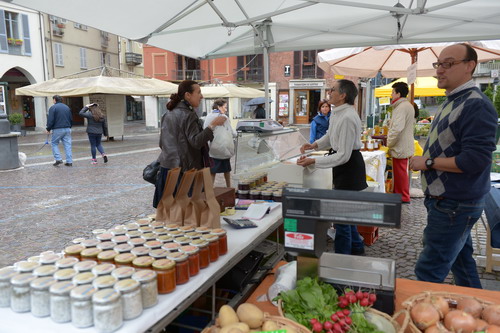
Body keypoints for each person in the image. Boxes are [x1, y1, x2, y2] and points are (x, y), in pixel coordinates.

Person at [409, 43, 497, 288]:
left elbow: (475, 160)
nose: (439, 70)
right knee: (462, 263)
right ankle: (477, 310)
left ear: (470, 66)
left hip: (455, 203)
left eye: (448, 64)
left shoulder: (476, 104)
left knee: (429, 270)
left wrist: (427, 162)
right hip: (448, 201)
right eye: (438, 64)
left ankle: (416, 320)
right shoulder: (454, 99)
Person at [298, 79, 367, 255]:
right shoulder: (338, 112)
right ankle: (357, 249)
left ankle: (342, 258)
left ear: (343, 95)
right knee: (347, 216)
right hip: (344, 166)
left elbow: (343, 155)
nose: (329, 92)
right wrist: (314, 145)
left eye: (333, 90)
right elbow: (330, 136)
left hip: (349, 168)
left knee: (341, 219)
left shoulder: (348, 117)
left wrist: (314, 161)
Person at [153, 80, 226, 208]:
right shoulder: (189, 115)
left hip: (167, 169)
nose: (201, 96)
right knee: (188, 213)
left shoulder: (167, 114)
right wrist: (212, 125)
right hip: (185, 172)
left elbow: (161, 143)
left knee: (171, 213)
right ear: (188, 95)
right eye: (198, 92)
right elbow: (196, 142)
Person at [387, 82, 415, 204]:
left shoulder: (401, 107)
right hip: (404, 143)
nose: (391, 95)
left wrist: (389, 142)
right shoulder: (406, 105)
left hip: (400, 145)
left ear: (398, 93)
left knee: (400, 172)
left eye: (393, 92)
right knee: (400, 171)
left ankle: (403, 196)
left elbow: (397, 128)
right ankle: (400, 194)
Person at [203, 99, 237, 187]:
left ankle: (210, 191)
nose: (226, 110)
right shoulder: (224, 117)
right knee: (226, 171)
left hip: (214, 148)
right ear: (219, 107)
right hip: (224, 148)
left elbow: (205, 130)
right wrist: (238, 134)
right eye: (225, 107)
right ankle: (229, 188)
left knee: (213, 172)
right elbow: (231, 131)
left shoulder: (209, 116)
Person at [46, 95, 73, 167]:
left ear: (55, 100)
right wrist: (70, 126)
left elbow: (51, 119)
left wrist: (48, 128)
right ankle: (69, 161)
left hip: (57, 128)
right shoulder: (67, 107)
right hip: (67, 128)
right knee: (67, 145)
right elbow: (71, 118)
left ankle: (58, 159)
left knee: (54, 143)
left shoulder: (53, 107)